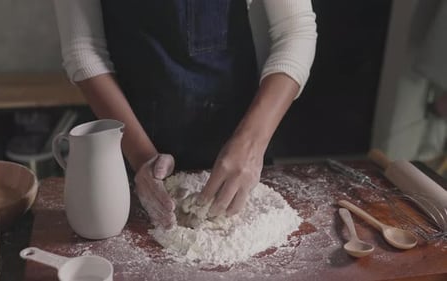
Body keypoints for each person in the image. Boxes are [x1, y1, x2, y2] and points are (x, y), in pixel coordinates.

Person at [53, 0, 317, 229]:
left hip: (239, 133)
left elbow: (295, 29)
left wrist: (251, 143)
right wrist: (142, 157)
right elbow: (83, 49)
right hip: (130, 134)